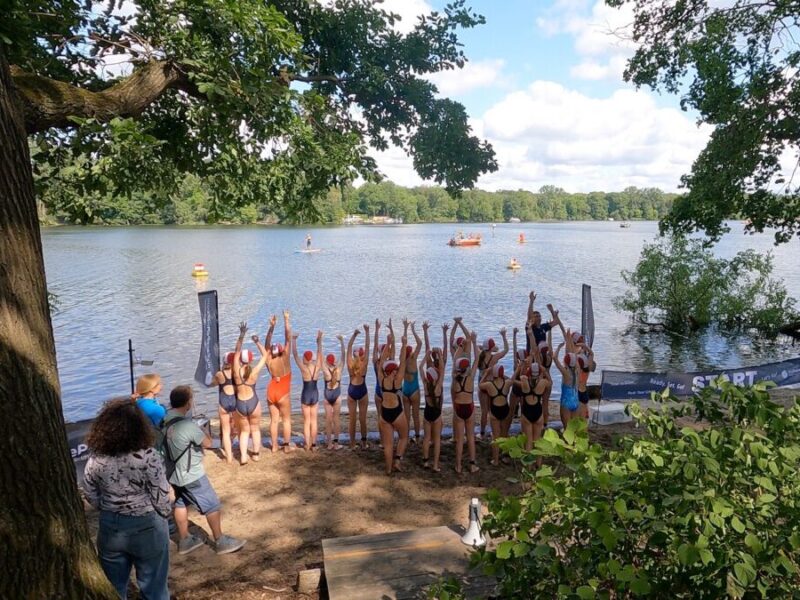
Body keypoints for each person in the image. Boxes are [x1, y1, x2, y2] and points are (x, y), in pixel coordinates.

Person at [82, 398, 172, 600]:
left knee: (113, 589)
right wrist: (165, 512)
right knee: (155, 589)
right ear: (141, 427)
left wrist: (106, 507)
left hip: (111, 525)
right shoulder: (149, 456)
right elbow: (161, 498)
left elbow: (89, 491)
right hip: (148, 524)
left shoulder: (96, 458)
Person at [162, 385, 245, 555]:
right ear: (187, 403)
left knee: (180, 503)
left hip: (173, 474)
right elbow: (207, 443)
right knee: (212, 504)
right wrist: (200, 429)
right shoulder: (187, 426)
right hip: (191, 473)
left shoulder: (164, 422)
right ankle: (220, 540)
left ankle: (185, 540)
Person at [376, 321, 411, 475]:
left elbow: (381, 362)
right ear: (393, 370)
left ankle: (388, 469)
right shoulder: (397, 380)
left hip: (384, 413)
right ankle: (397, 460)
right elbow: (403, 361)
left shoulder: (381, 378)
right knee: (404, 437)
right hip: (397, 412)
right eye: (395, 369)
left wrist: (388, 344)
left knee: (388, 444)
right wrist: (404, 345)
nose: (397, 370)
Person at [232, 322, 269, 465]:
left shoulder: (236, 370)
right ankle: (256, 454)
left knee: (245, 431)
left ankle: (243, 457)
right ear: (251, 359)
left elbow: (236, 351)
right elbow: (265, 356)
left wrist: (242, 335)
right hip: (253, 402)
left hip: (240, 403)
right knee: (255, 429)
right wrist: (257, 341)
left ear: (241, 359)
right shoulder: (253, 372)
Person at [451, 325, 480, 474]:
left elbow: (456, 359)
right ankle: (473, 464)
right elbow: (476, 359)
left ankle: (458, 465)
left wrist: (460, 348)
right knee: (470, 437)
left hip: (458, 408)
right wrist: (473, 343)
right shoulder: (471, 377)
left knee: (460, 439)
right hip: (469, 407)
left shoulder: (454, 378)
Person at [421, 321, 448, 472]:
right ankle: (435, 465)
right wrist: (444, 334)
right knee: (437, 438)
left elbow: (427, 348)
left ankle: (425, 461)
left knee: (427, 437)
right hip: (437, 404)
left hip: (428, 407)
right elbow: (444, 356)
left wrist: (425, 332)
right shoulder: (439, 372)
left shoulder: (428, 374)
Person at [265, 310, 294, 453]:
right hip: (283, 391)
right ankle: (287, 446)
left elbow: (266, 343)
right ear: (282, 351)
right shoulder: (285, 358)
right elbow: (288, 338)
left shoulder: (269, 360)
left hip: (271, 390)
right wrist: (286, 320)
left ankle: (274, 446)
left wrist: (271, 326)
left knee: (274, 420)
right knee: (286, 420)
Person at [292, 329, 324, 451]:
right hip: (315, 395)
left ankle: (307, 444)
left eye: (303, 357)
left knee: (306, 421)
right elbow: (320, 353)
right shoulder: (317, 367)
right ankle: (314, 444)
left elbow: (294, 355)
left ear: (306, 358)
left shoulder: (304, 369)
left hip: (305, 395)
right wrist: (319, 340)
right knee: (314, 420)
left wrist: (294, 340)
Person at [476, 329, 508, 440]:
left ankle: (482, 433)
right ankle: (496, 430)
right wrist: (504, 336)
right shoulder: (494, 358)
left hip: (482, 385)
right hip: (492, 386)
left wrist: (478, 345)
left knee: (484, 411)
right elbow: (506, 350)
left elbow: (475, 346)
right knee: (491, 411)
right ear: (491, 348)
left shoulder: (479, 355)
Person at [516, 354, 550, 458]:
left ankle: (529, 466)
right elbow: (551, 382)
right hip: (538, 412)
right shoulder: (543, 382)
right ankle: (538, 465)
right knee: (537, 441)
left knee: (529, 441)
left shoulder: (524, 381)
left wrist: (520, 368)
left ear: (529, 372)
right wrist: (544, 372)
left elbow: (516, 378)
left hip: (527, 412)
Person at [479, 363, 513, 466]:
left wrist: (486, 374)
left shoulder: (489, 385)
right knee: (505, 434)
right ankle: (506, 456)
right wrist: (503, 375)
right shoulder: (507, 382)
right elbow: (512, 379)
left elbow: (480, 385)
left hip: (495, 411)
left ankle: (496, 460)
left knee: (496, 437)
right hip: (505, 409)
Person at [346, 324, 371, 450]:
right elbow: (367, 346)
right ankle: (364, 442)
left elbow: (348, 348)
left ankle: (351, 443)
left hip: (351, 390)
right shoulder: (364, 365)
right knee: (362, 419)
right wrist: (367, 332)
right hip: (362, 391)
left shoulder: (350, 364)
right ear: (361, 355)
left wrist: (354, 335)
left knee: (352, 420)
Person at [322, 334, 346, 450]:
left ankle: (329, 444)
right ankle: (336, 444)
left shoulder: (325, 370)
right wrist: (341, 341)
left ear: (327, 362)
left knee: (328, 420)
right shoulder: (339, 369)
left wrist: (319, 341)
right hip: (336, 395)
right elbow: (343, 356)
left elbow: (320, 357)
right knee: (336, 419)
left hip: (327, 395)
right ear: (334, 362)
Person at [401, 320, 423, 444]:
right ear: (412, 352)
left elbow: (404, 343)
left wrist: (405, 328)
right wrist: (413, 330)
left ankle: (406, 437)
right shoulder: (413, 358)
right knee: (415, 415)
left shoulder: (402, 360)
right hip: (414, 390)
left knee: (406, 416)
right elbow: (420, 343)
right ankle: (418, 437)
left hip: (405, 390)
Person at [212, 352, 237, 464]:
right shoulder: (237, 372)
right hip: (234, 400)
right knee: (239, 428)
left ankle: (229, 458)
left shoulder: (219, 374)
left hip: (224, 400)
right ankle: (241, 450)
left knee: (225, 431)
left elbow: (212, 384)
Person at [554, 331, 581, 427]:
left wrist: (559, 347)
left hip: (566, 402)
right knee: (573, 430)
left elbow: (555, 358)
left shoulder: (566, 373)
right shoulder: (577, 370)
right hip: (576, 402)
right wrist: (569, 340)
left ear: (565, 362)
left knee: (567, 430)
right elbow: (573, 354)